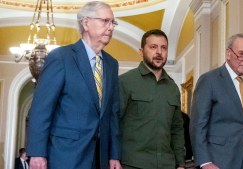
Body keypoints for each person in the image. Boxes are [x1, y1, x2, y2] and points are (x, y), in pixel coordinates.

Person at [26, 1, 121, 169]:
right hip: (66, 155)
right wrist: (37, 152)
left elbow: (112, 114)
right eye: (105, 21)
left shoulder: (111, 64)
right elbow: (41, 109)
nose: (111, 27)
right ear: (86, 23)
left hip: (101, 158)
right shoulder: (61, 57)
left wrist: (114, 155)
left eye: (112, 22)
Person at [190, 33, 243, 169]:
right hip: (220, 160)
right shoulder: (209, 80)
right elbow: (198, 125)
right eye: (241, 54)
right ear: (228, 53)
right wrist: (205, 162)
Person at [119, 29, 185, 169]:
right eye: (153, 47)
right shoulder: (125, 82)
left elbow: (177, 129)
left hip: (167, 165)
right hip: (132, 164)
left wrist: (180, 164)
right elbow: (113, 124)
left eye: (164, 48)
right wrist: (112, 158)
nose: (159, 52)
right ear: (141, 51)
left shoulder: (173, 88)